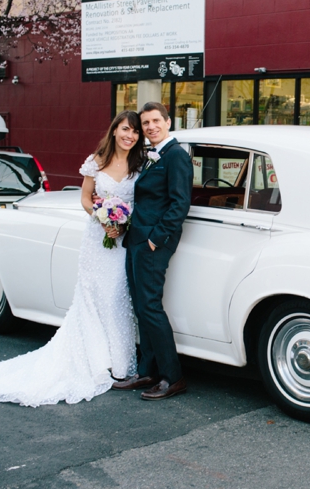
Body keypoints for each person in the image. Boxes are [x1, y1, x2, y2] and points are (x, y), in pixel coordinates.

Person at [0, 111, 146, 406]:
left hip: (123, 240)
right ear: (114, 130)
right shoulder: (96, 162)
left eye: (135, 132)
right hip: (97, 239)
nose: (130, 136)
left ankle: (119, 364)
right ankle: (94, 360)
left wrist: (122, 223)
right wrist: (101, 217)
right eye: (126, 129)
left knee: (116, 295)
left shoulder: (139, 165)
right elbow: (86, 198)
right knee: (91, 296)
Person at [112, 102, 193, 401]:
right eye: (145, 123)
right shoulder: (150, 156)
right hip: (135, 239)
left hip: (152, 243)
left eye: (155, 121)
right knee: (139, 305)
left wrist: (155, 240)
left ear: (168, 122)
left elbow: (179, 203)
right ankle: (148, 370)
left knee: (150, 306)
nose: (150, 127)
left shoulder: (176, 156)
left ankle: (172, 377)